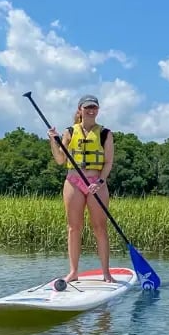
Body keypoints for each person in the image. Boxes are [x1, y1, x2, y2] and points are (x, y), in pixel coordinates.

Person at [47, 94, 115, 283]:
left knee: (100, 228)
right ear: (80, 110)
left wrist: (100, 182)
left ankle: (106, 273)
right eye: (87, 107)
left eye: (94, 107)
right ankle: (73, 271)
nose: (91, 110)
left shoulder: (105, 134)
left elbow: (108, 162)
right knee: (73, 228)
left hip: (96, 183)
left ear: (98, 110)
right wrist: (54, 140)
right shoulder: (69, 132)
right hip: (73, 182)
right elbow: (60, 160)